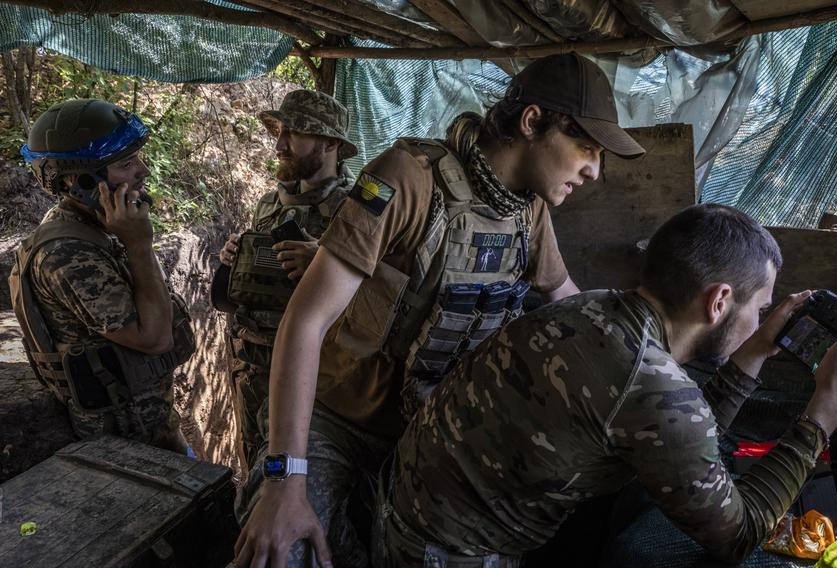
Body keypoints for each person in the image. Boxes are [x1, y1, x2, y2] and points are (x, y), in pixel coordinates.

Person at [234, 52, 646, 568]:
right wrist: (284, 478)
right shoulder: (407, 177)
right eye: (585, 146)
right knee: (282, 550)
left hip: (437, 437)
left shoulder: (528, 212)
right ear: (532, 121)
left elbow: (570, 305)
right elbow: (306, 319)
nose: (593, 170)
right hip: (338, 424)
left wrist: (646, 370)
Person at [372, 204, 837, 567]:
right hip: (449, 553)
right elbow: (738, 534)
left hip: (405, 506)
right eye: (760, 309)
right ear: (719, 301)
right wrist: (824, 413)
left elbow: (669, 425)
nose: (762, 319)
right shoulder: (652, 384)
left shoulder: (594, 305)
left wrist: (753, 350)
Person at [9, 98, 195, 453]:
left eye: (138, 157)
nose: (144, 171)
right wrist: (140, 245)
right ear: (80, 181)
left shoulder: (101, 228)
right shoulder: (67, 254)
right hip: (123, 442)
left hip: (151, 425)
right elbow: (154, 339)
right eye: (127, 164)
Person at [212, 89, 357, 472]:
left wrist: (326, 265)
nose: (279, 144)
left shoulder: (356, 213)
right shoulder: (269, 203)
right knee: (252, 466)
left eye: (293, 133)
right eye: (279, 131)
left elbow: (379, 303)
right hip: (251, 364)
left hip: (316, 374)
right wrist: (236, 256)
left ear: (329, 142)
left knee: (295, 470)